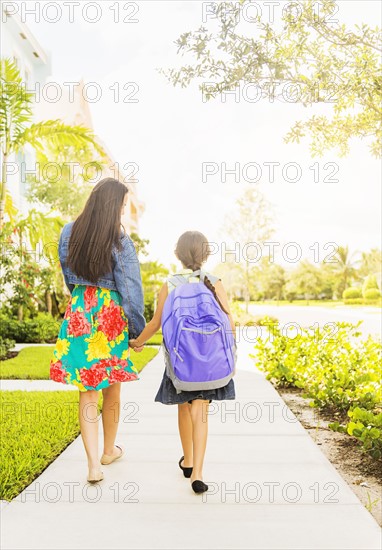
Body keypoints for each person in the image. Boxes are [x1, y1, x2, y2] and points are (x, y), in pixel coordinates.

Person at [50, 177, 146, 483]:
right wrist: (136, 329)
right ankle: (108, 450)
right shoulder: (119, 237)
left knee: (87, 391)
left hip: (80, 308)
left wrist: (81, 299)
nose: (121, 211)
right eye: (120, 205)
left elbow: (68, 274)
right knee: (112, 386)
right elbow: (131, 287)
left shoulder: (69, 231)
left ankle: (93, 465)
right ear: (113, 205)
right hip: (109, 315)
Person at [129, 231, 236, 494]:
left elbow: (155, 323)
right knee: (200, 411)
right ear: (206, 254)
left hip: (181, 361)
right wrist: (230, 351)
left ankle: (187, 461)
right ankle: (197, 473)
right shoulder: (214, 281)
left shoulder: (171, 283)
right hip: (209, 361)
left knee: (183, 406)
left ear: (178, 254)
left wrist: (138, 342)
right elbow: (229, 321)